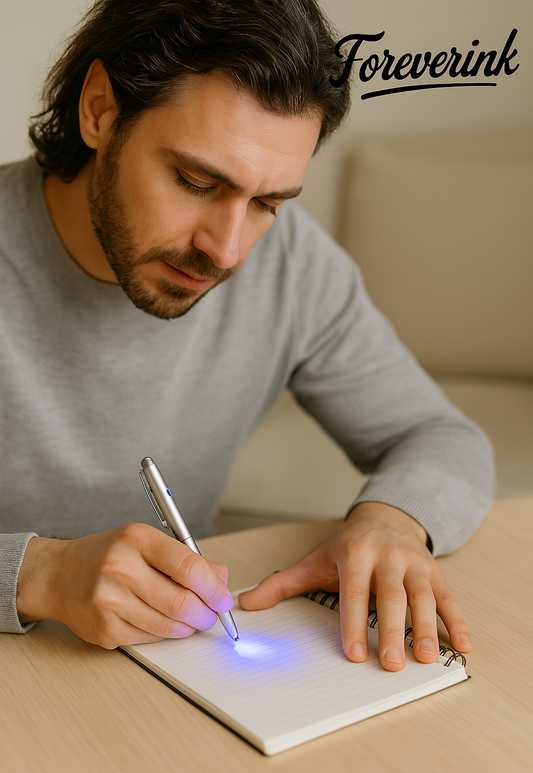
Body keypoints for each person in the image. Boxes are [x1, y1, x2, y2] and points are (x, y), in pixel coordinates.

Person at [0, 0, 493, 671]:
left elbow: (442, 437)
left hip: (165, 678)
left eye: (266, 203)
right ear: (99, 111)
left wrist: (392, 520)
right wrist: (36, 574)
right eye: (196, 182)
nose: (227, 252)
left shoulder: (291, 265)